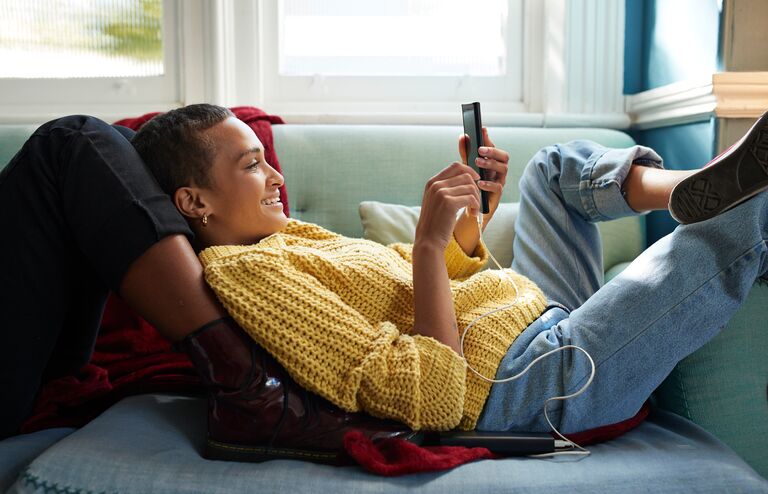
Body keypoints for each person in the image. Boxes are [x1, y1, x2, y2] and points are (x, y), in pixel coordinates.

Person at [1, 105, 766, 465]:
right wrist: (428, 247)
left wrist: (467, 226)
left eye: (266, 159)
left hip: (535, 317)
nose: (275, 174)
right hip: (537, 382)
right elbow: (431, 396)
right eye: (250, 165)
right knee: (745, 225)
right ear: (193, 205)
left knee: (554, 170)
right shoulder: (244, 273)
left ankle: (692, 183)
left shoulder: (289, 239)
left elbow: (461, 289)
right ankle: (732, 206)